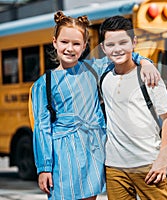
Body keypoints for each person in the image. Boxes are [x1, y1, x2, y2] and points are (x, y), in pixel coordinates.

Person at [30, 11, 160, 200]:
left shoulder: (93, 69)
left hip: (93, 150)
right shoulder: (43, 84)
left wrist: (145, 62)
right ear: (54, 42)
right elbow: (42, 129)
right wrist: (44, 168)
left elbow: (122, 54)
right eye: (64, 42)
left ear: (84, 46)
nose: (69, 48)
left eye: (76, 44)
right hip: (62, 156)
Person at [99, 15, 167, 200]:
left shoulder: (149, 76)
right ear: (103, 48)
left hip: (148, 165)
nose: (117, 49)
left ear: (134, 42)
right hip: (114, 168)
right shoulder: (104, 77)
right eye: (110, 45)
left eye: (123, 42)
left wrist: (162, 161)